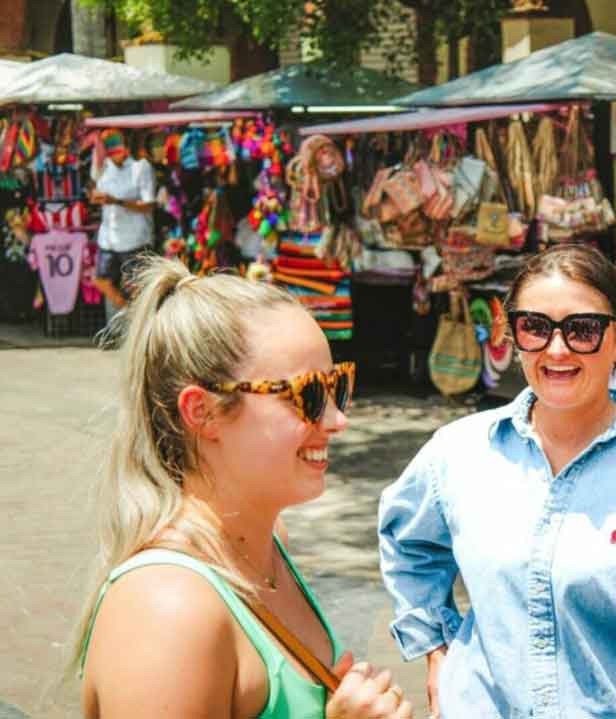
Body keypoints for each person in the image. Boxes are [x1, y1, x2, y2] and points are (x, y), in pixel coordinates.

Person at [378, 243, 616, 718]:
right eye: (535, 327)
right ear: (511, 334)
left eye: (583, 330)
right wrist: (436, 650)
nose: (557, 349)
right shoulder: (459, 454)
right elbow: (408, 544)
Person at [73, 256, 412, 719]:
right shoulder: (168, 609)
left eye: (340, 386)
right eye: (308, 395)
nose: (337, 420)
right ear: (203, 412)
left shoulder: (268, 544)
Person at [89, 129, 156, 317]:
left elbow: (148, 205)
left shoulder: (141, 167)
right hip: (108, 238)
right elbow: (93, 190)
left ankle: (139, 322)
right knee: (102, 280)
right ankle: (127, 314)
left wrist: (117, 201)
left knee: (137, 286)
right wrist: (96, 198)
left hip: (135, 239)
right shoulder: (102, 167)